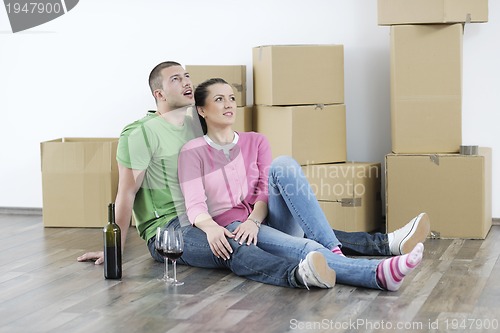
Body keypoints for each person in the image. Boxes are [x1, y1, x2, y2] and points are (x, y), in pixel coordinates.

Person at [77, 61, 428, 286]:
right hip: (173, 228)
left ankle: (383, 244)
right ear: (158, 93)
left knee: (280, 222)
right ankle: (298, 274)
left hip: (220, 213)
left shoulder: (195, 126)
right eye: (175, 79)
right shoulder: (139, 133)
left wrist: (253, 209)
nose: (186, 81)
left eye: (187, 75)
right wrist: (114, 251)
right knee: (236, 247)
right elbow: (126, 193)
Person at [177, 78, 425, 291]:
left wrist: (254, 220)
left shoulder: (256, 140)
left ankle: (333, 250)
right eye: (219, 99)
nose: (229, 103)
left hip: (264, 218)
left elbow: (264, 190)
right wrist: (211, 228)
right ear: (202, 110)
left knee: (283, 163)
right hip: (234, 227)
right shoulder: (192, 152)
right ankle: (379, 274)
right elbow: (195, 205)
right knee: (306, 246)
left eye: (231, 97)